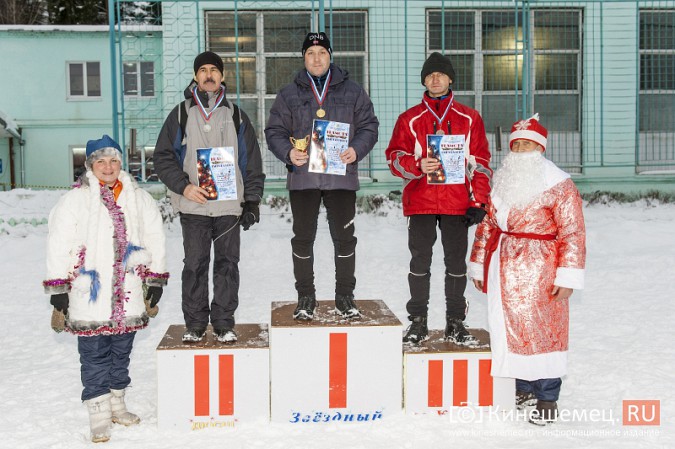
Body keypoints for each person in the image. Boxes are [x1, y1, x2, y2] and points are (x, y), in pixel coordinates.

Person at [43, 135, 169, 443]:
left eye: (113, 160)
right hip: (90, 293)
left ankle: (117, 403)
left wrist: (155, 279)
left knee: (122, 350)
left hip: (129, 290)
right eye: (101, 161)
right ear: (89, 165)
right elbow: (58, 244)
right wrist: (58, 287)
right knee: (95, 353)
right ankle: (98, 413)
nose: (108, 167)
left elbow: (155, 238)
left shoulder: (138, 198)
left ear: (121, 163)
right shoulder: (74, 201)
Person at [468, 114, 586, 425]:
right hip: (505, 264)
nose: (521, 150)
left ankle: (547, 397)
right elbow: (488, 225)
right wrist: (479, 263)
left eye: (528, 144)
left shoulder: (559, 184)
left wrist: (568, 276)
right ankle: (521, 386)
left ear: (540, 148)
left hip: (542, 266)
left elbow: (573, 231)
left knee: (543, 332)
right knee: (511, 329)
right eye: (516, 144)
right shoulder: (503, 181)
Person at [265, 32, 379, 320]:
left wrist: (356, 149)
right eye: (310, 53)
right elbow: (274, 132)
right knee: (302, 238)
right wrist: (289, 155)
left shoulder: (353, 91)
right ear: (304, 58)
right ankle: (305, 297)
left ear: (330, 56)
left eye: (321, 53)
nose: (316, 58)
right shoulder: (288, 93)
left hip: (341, 176)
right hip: (303, 178)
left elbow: (369, 126)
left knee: (345, 239)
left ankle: (345, 297)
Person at [154, 51, 265, 343]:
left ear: (223, 76)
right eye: (202, 70)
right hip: (194, 204)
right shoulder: (180, 113)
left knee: (227, 264)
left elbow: (251, 162)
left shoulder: (236, 115)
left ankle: (224, 323)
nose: (208, 75)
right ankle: (194, 324)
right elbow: (163, 157)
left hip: (228, 205)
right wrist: (183, 186)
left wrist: (251, 200)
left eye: (214, 70)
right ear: (195, 76)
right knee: (195, 265)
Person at [386, 52, 492, 344]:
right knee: (420, 262)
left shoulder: (469, 118)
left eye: (441, 74)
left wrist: (478, 201)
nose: (435, 79)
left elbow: (481, 162)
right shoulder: (409, 119)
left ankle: (455, 321)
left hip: (457, 202)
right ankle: (418, 321)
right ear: (424, 80)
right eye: (430, 75)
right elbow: (394, 158)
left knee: (456, 264)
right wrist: (416, 166)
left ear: (450, 80)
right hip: (420, 201)